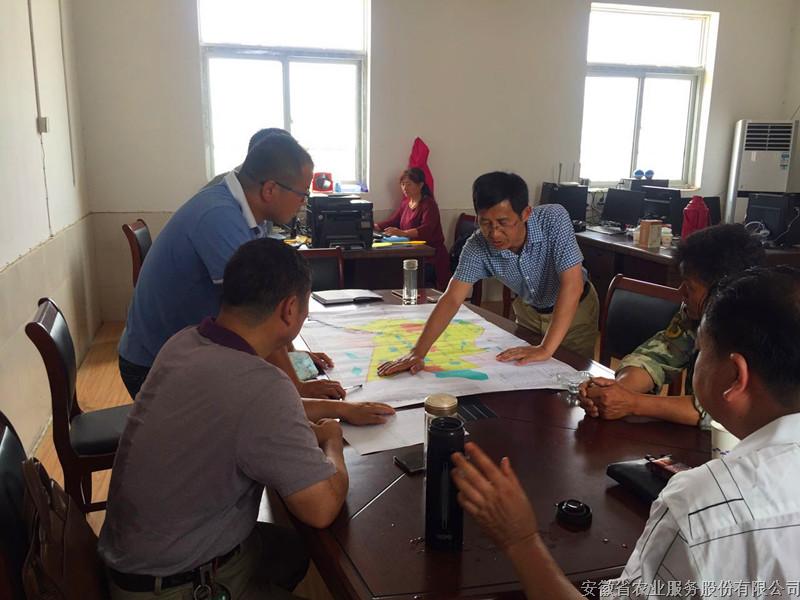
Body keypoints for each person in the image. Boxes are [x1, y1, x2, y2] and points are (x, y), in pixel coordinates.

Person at [451, 265, 800, 599]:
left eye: (702, 351)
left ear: (736, 376)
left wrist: (521, 540)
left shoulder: (701, 508)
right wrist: (620, 393)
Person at [100, 238, 394, 600]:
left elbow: (254, 414)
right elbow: (322, 508)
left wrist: (340, 410)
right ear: (290, 309)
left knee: (293, 551)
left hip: (135, 559)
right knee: (307, 543)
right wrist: (332, 439)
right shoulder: (262, 385)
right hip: (180, 585)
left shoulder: (185, 342)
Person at [118, 133, 344, 400]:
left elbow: (271, 299)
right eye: (302, 193)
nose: (304, 202)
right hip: (153, 367)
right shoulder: (219, 217)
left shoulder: (250, 212)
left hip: (191, 355)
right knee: (273, 409)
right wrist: (297, 389)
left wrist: (293, 359)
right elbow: (260, 310)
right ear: (270, 190)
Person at [377, 171, 598, 379]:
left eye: (503, 223)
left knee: (572, 378)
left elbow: (572, 285)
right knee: (530, 378)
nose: (494, 233)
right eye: (485, 223)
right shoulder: (477, 246)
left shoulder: (553, 219)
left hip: (575, 312)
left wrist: (546, 348)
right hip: (529, 313)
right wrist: (417, 352)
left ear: (525, 214)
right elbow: (452, 298)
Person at [579, 224, 765, 427]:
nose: (681, 292)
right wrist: (615, 392)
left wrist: (633, 403)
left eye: (690, 287)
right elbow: (656, 357)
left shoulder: (759, 334)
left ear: (721, 291)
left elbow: (720, 410)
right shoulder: (694, 316)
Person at [375, 167, 451, 290]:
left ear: (420, 185)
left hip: (430, 258)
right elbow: (394, 221)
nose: (405, 188)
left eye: (409, 184)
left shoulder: (429, 204)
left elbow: (426, 230)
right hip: (411, 253)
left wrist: (403, 233)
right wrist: (374, 226)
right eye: (402, 184)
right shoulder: (406, 203)